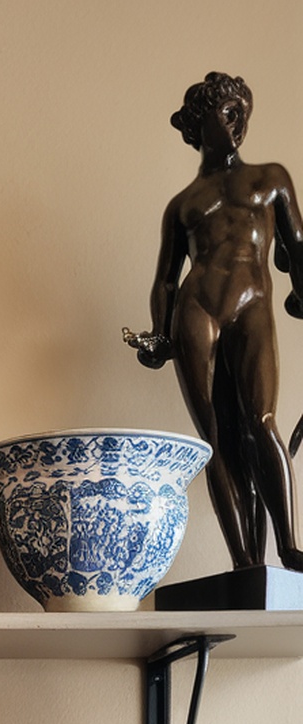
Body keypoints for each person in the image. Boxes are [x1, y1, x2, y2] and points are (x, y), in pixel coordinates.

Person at [125, 72, 303, 572]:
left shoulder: (270, 178)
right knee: (217, 438)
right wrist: (159, 334)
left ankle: (288, 548)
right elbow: (165, 279)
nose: (236, 123)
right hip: (196, 309)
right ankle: (245, 563)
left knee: (262, 422)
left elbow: (298, 247)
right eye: (225, 113)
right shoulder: (182, 205)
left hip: (253, 304)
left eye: (241, 114)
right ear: (198, 123)